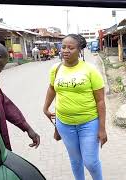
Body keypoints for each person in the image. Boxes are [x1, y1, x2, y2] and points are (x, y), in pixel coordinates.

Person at [43, 34, 107, 180]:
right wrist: (45, 108)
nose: (65, 50)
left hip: (89, 123)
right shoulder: (56, 69)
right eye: (63, 47)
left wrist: (102, 128)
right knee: (75, 159)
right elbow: (52, 88)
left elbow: (100, 101)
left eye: (71, 48)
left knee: (90, 161)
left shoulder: (90, 70)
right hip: (64, 124)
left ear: (80, 50)